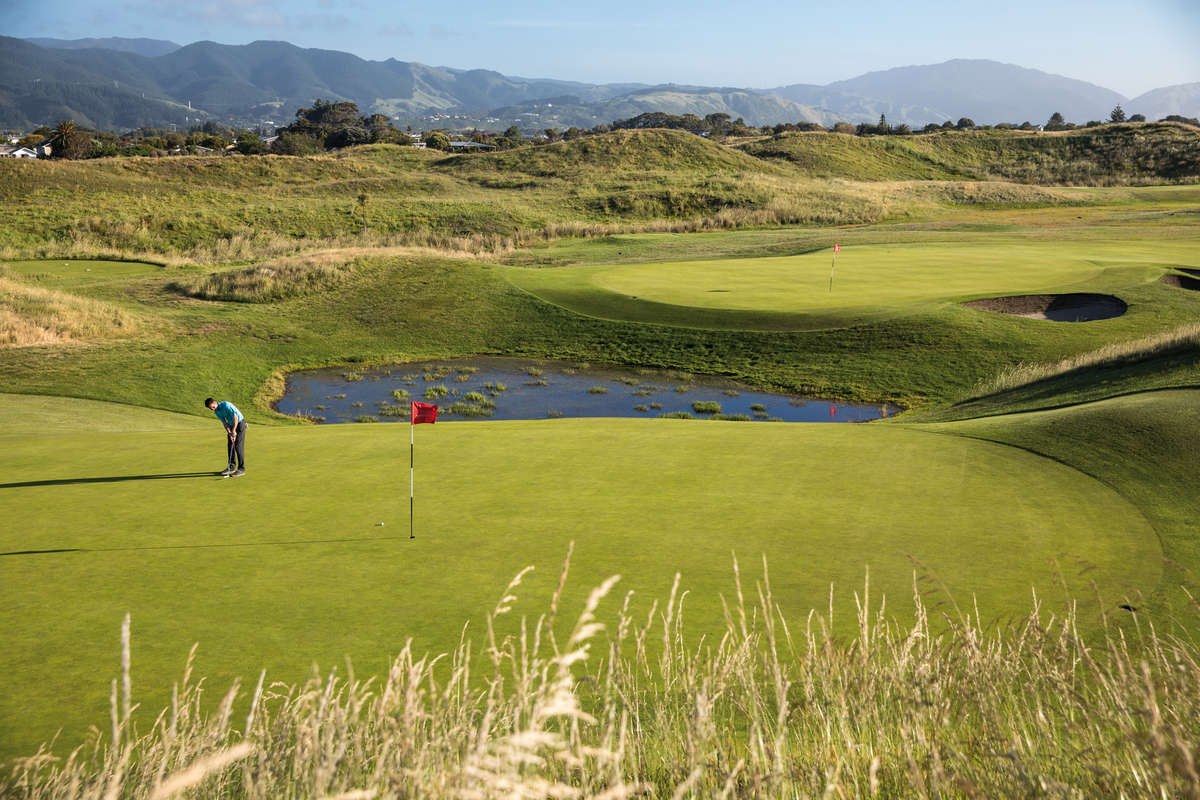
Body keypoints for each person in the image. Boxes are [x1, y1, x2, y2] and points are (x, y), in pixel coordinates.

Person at [205, 397, 246, 476]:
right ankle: (231, 466)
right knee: (230, 445)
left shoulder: (226, 405)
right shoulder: (216, 411)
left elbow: (236, 418)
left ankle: (241, 469)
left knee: (238, 446)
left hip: (240, 423)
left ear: (215, 403)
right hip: (231, 425)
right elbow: (224, 423)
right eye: (211, 409)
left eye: (213, 407)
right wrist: (230, 433)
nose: (213, 409)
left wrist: (233, 431)